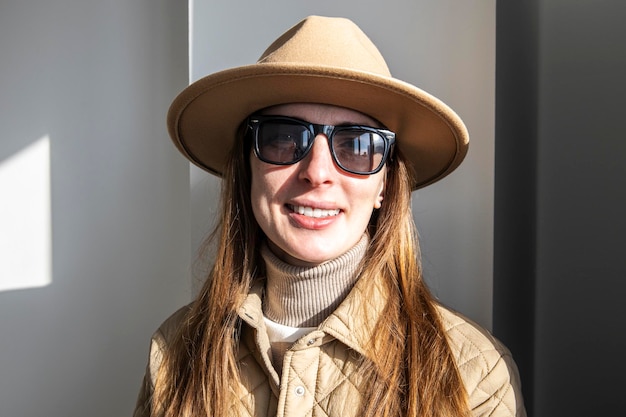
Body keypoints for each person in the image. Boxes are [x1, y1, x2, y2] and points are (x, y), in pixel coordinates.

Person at [134, 15, 526, 417]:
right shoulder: (175, 353)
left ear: (385, 185)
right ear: (246, 169)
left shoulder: (473, 372)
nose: (317, 172)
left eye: (357, 145)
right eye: (284, 138)